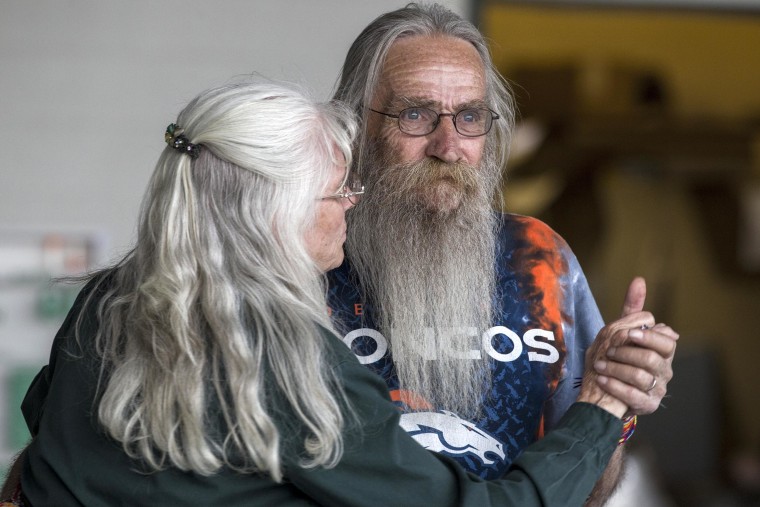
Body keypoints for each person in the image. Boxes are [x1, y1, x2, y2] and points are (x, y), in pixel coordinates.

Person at [0, 79, 651, 506]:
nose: (350, 207)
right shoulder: (283, 348)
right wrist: (600, 408)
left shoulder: (109, 295)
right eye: (338, 192)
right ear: (272, 211)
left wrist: (379, 418)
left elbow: (46, 434)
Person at [327, 3, 678, 504]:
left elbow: (585, 493)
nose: (448, 146)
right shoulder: (306, 261)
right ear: (356, 126)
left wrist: (612, 405)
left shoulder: (538, 257)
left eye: (470, 116)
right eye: (414, 114)